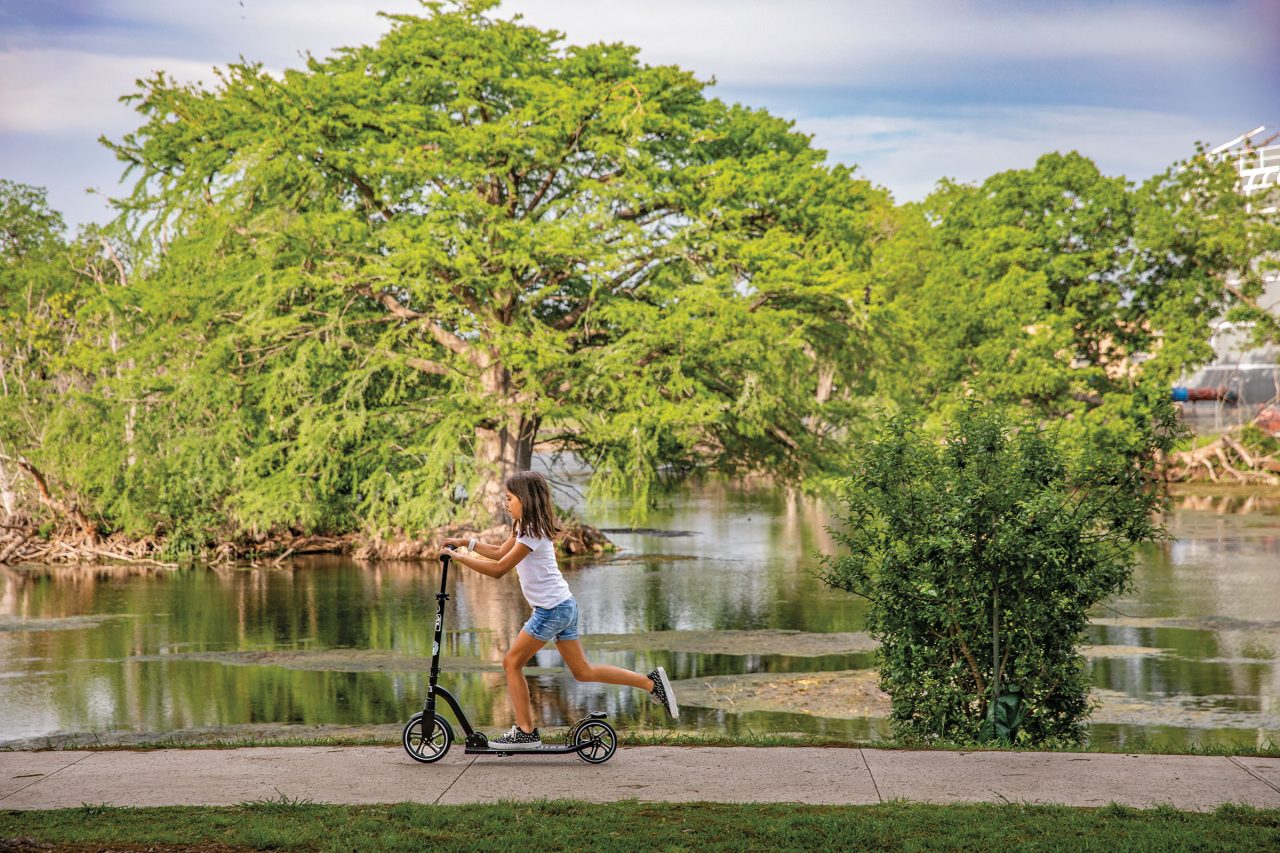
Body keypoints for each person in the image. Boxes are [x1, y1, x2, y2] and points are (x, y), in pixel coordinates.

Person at [441, 470, 678, 749]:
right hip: (564, 606)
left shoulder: (531, 532)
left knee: (511, 663)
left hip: (551, 610)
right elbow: (498, 552)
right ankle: (651, 683)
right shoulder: (525, 527)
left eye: (509, 498)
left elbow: (498, 569)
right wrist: (465, 544)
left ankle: (525, 732)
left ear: (525, 500)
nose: (505, 503)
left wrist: (458, 558)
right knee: (583, 671)